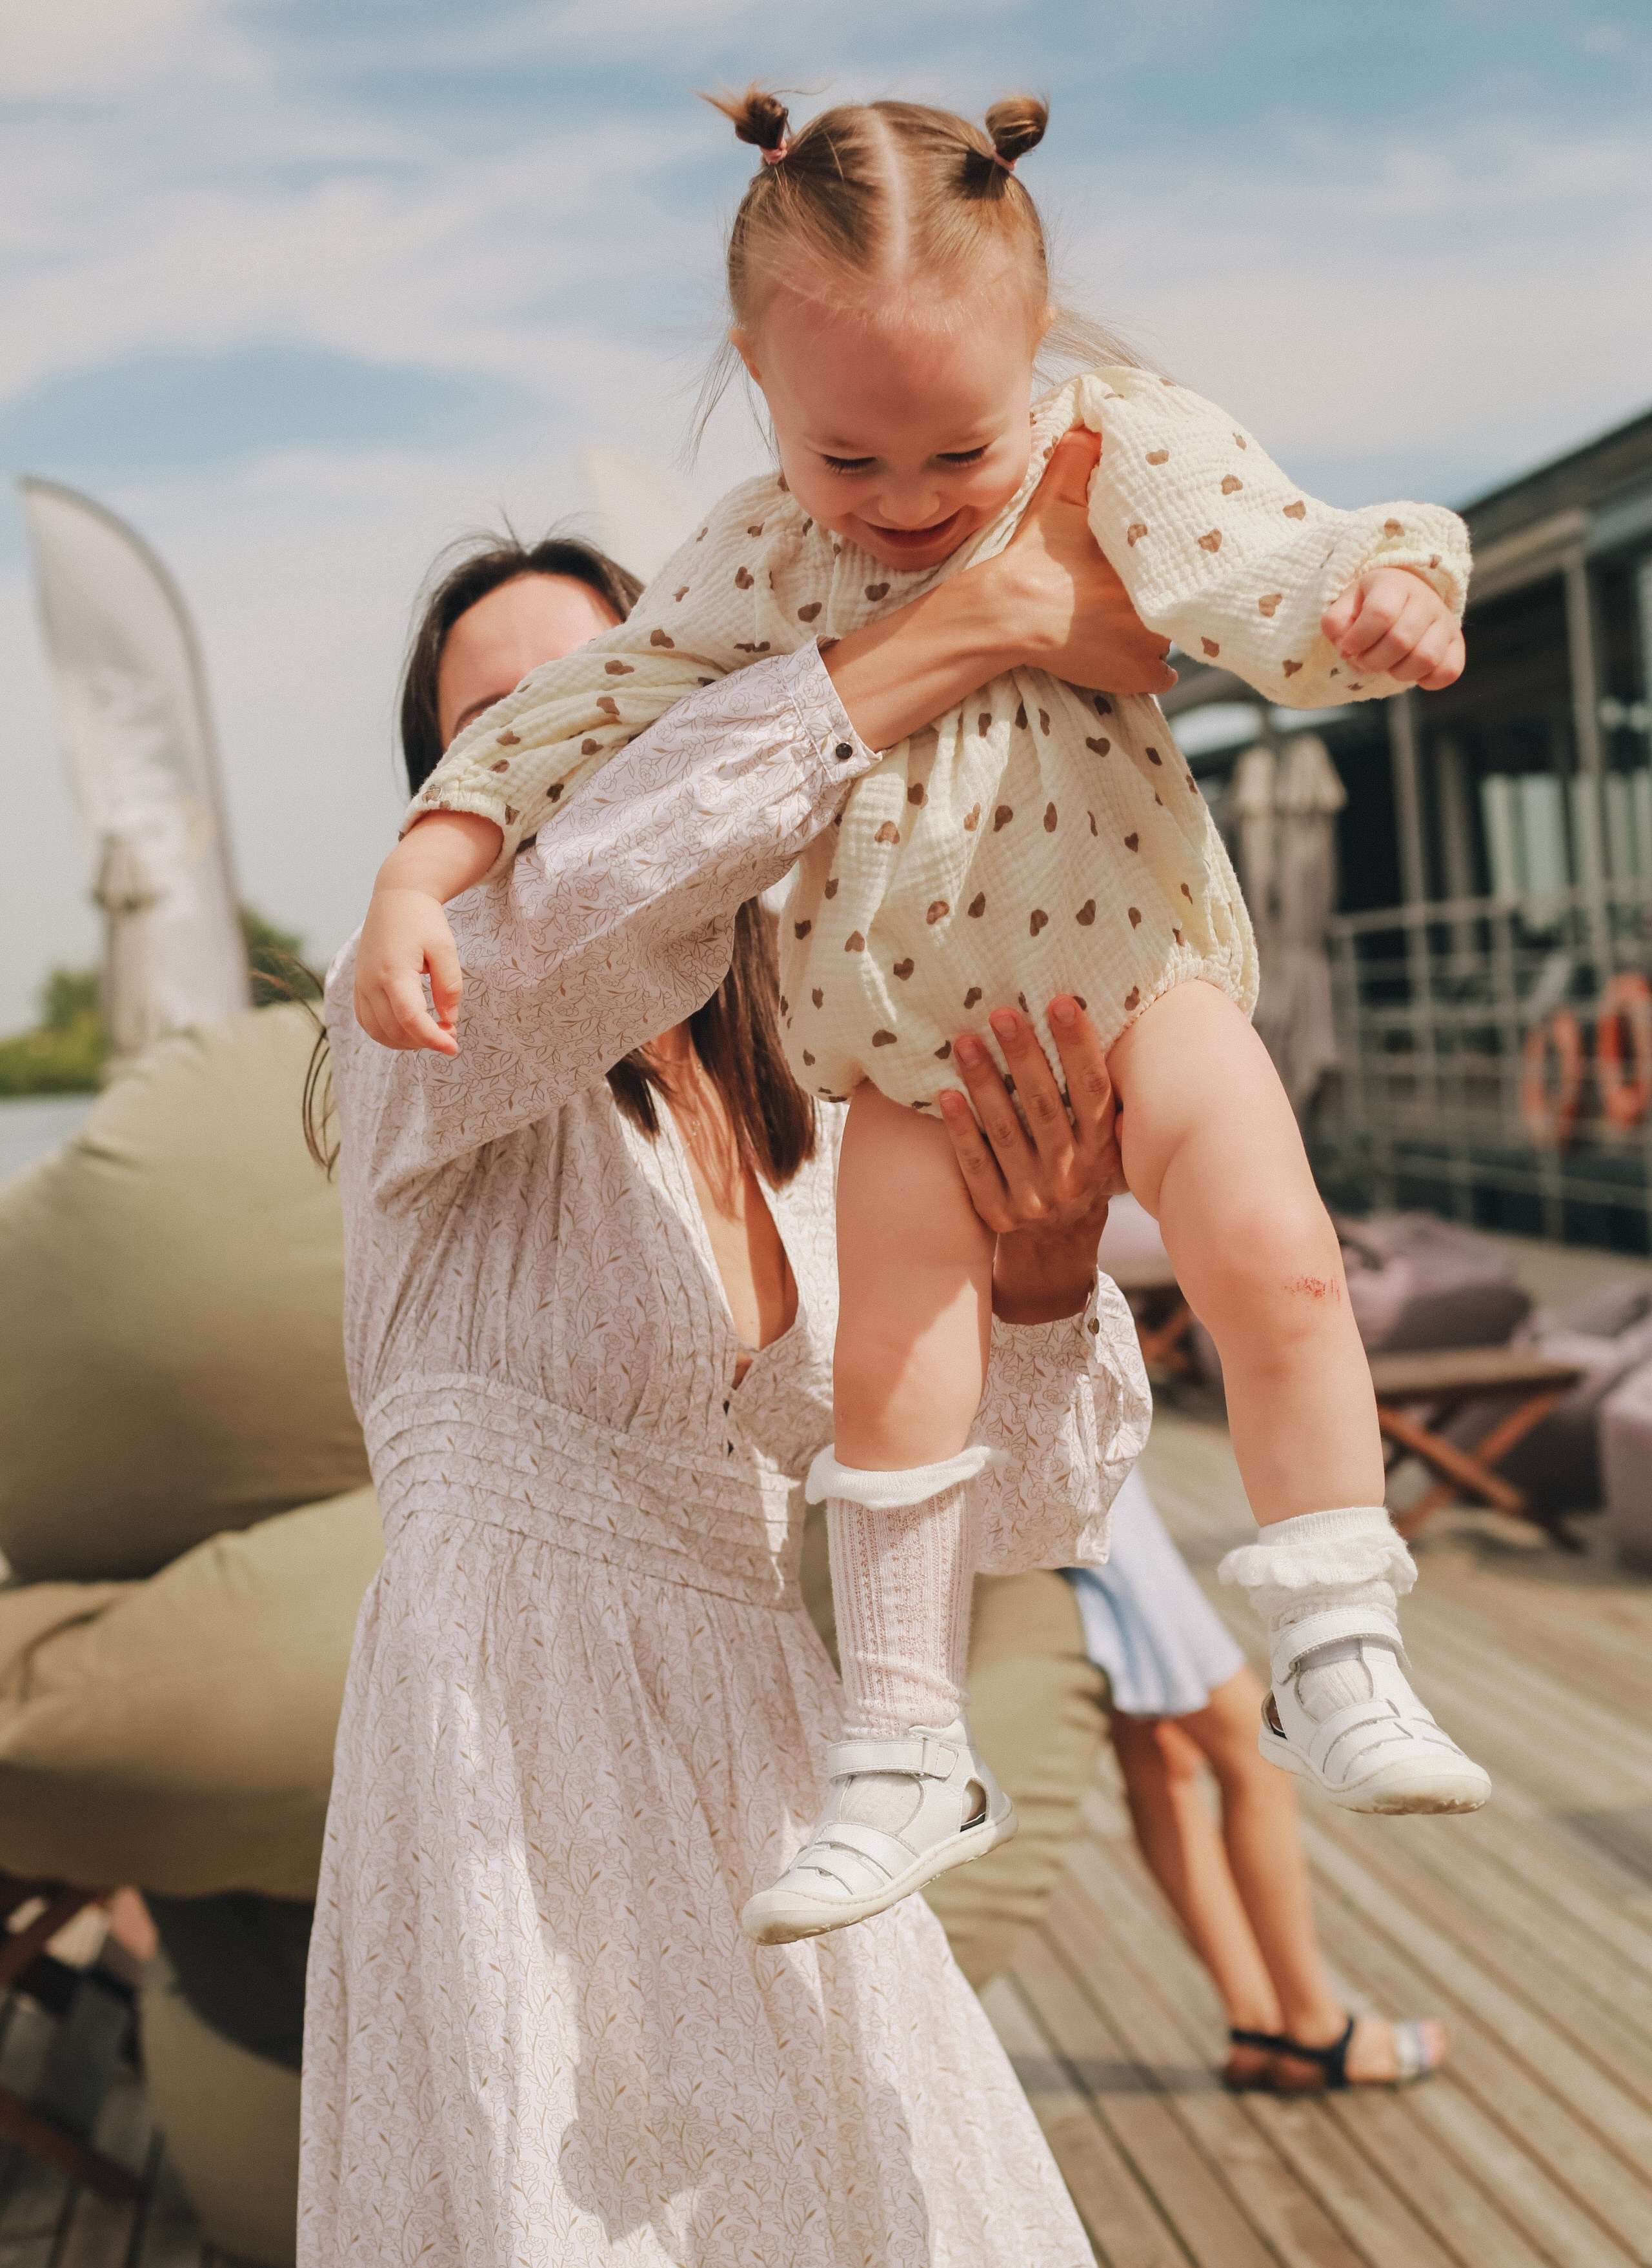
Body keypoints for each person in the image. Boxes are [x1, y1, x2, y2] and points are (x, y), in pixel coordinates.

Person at [359, 89, 1488, 1954]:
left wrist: (1386, 598)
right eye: (845, 462)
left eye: (948, 451)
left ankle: (1337, 1642)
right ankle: (898, 1745)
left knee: (1284, 1265)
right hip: (907, 1046)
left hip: (1139, 977)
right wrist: (425, 870)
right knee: (886, 1396)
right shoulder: (757, 568)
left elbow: (1278, 559)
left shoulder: (1110, 453)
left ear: (1029, 355)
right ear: (756, 381)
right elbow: (594, 720)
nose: (896, 510)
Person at [299, 490, 1168, 2268]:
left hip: (752, 1753)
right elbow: (609, 882)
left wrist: (1036, 1292)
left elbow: (1018, 1514)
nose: (566, 736)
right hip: (516, 1744)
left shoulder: (807, 1119)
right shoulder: (419, 1029)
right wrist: (957, 630)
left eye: (609, 682)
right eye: (495, 718)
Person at [1066, 1468, 1446, 2091]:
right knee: (1254, 1749)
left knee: (1155, 1742)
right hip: (1096, 1504)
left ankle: (1255, 2021)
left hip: (1047, 1504)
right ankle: (1315, 2029)